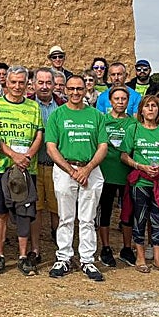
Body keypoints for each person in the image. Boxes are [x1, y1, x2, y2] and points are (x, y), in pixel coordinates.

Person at [45, 75, 109, 282]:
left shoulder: (96, 115)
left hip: (91, 168)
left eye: (79, 89)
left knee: (88, 218)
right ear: (66, 90)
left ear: (85, 90)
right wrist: (71, 171)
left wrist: (88, 168)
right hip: (65, 169)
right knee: (65, 216)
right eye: (71, 89)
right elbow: (51, 147)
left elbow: (103, 146)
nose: (75, 93)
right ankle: (63, 257)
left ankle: (87, 259)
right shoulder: (57, 115)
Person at [0, 66, 44, 276]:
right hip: (1, 167)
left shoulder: (34, 107)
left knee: (24, 213)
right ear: (5, 83)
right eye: (13, 82)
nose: (17, 86)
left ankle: (23, 256)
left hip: (27, 167)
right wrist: (13, 156)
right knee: (0, 213)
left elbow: (38, 136)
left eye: (21, 82)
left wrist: (26, 157)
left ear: (27, 84)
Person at [120, 94, 159, 273]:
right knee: (140, 218)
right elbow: (124, 155)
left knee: (158, 220)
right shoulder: (134, 129)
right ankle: (140, 257)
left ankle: (157, 258)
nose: (151, 109)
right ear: (141, 110)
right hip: (141, 182)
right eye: (147, 106)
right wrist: (140, 166)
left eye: (154, 106)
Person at [98, 85, 137, 268]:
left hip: (126, 173)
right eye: (117, 99)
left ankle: (127, 248)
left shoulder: (133, 123)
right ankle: (105, 248)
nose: (120, 102)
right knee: (105, 211)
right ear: (110, 101)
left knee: (127, 213)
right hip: (106, 172)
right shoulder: (102, 120)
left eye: (123, 99)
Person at [28, 68, 63, 265]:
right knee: (36, 209)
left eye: (48, 82)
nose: (44, 86)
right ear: (33, 84)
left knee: (58, 210)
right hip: (34, 165)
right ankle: (35, 250)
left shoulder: (62, 107)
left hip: (56, 166)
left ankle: (62, 249)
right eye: (40, 82)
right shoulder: (28, 105)